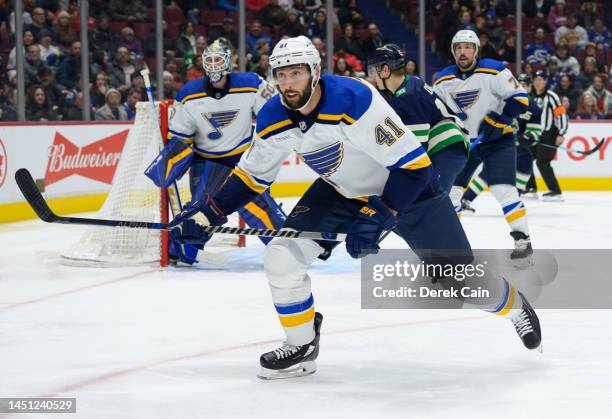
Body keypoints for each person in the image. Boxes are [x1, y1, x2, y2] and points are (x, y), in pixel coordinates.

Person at [167, 36, 542, 379]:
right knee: (282, 255)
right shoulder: (273, 116)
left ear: (315, 71)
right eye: (281, 74)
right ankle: (301, 344)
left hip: (411, 191)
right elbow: (251, 177)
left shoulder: (354, 99)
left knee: (460, 281)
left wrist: (379, 214)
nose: (288, 83)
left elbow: (413, 166)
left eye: (296, 73)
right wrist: (207, 214)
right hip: (341, 190)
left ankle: (515, 306)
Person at [144, 40, 286, 265]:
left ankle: (285, 245)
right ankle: (182, 247)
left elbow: (274, 114)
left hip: (242, 159)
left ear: (229, 62)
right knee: (204, 208)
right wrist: (171, 161)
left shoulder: (251, 83)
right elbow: (181, 137)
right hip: (207, 161)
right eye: (208, 60)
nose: (213, 65)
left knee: (256, 203)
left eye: (218, 59)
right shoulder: (189, 94)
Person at [433, 30, 533, 259]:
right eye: (458, 48)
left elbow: (520, 99)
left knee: (502, 190)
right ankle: (451, 248)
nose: (463, 52)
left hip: (498, 140)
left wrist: (501, 119)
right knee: (452, 195)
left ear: (476, 50)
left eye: (468, 47)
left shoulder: (494, 69)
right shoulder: (443, 79)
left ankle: (523, 241)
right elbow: (437, 113)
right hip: (464, 143)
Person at [367, 44, 468, 203]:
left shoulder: (407, 96)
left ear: (385, 70)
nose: (372, 77)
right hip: (448, 146)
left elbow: (416, 148)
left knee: (430, 204)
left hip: (446, 148)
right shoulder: (411, 83)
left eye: (373, 71)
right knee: (425, 203)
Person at [462, 73, 543, 211]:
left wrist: (529, 137)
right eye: (520, 84)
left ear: (530, 87)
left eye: (526, 85)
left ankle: (514, 200)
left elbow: (535, 132)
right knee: (489, 171)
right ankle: (466, 198)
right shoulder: (505, 100)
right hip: (501, 142)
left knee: (525, 165)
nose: (522, 87)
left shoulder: (534, 107)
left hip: (520, 147)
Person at [529, 70, 568, 201]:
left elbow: (561, 114)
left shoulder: (552, 96)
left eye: (541, 79)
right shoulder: (531, 96)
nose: (538, 82)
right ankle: (530, 188)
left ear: (545, 81)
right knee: (524, 157)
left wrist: (561, 133)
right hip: (534, 134)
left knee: (542, 162)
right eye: (536, 80)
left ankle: (555, 191)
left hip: (549, 134)